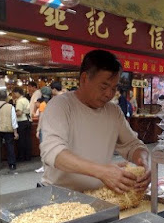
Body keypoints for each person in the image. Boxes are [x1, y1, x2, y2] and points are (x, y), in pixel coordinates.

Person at [40, 50, 150, 193]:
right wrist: (102, 171)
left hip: (97, 196)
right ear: (84, 78)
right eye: (103, 87)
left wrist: (144, 162)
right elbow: (53, 152)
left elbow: (133, 145)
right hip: (57, 196)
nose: (109, 94)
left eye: (113, 88)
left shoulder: (113, 112)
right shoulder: (60, 105)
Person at [0, 89, 19, 170]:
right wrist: (15, 132)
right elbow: (14, 120)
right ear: (6, 97)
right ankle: (12, 164)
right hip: (8, 129)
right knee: (10, 146)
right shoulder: (10, 107)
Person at [13, 86, 31, 161]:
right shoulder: (26, 100)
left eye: (14, 93)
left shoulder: (19, 101)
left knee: (21, 140)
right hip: (28, 120)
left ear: (17, 93)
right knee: (27, 139)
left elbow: (19, 113)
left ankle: (21, 157)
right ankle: (28, 156)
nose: (13, 95)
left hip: (21, 122)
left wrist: (13, 114)